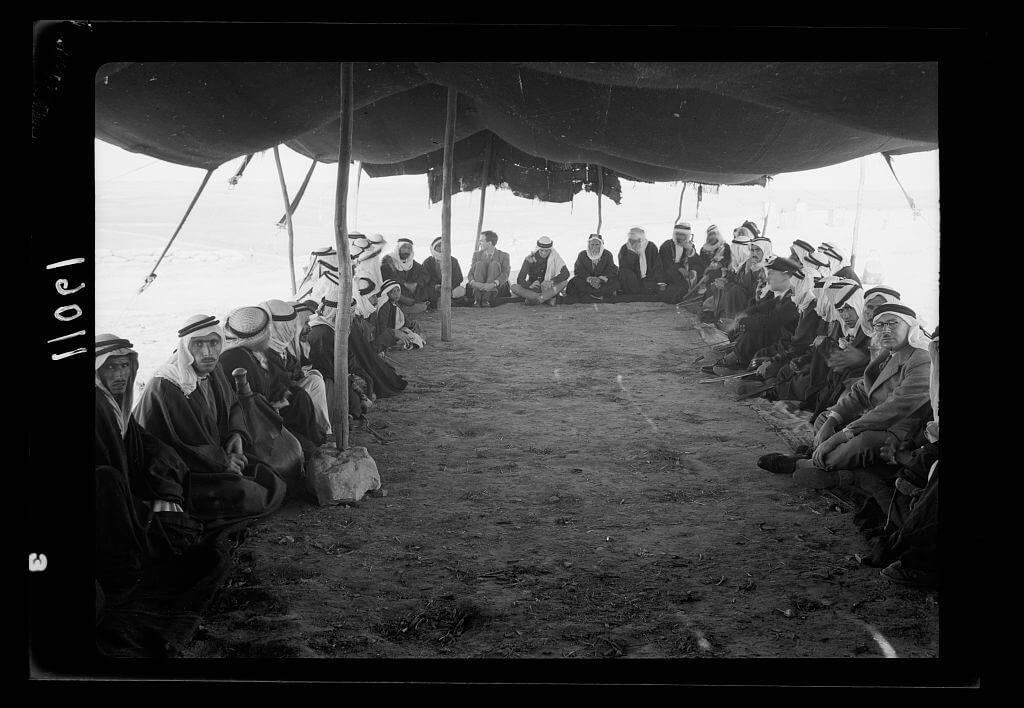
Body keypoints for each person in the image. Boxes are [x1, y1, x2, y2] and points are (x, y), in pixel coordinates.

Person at [133, 314, 287, 531]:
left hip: (213, 458)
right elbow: (175, 446)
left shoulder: (213, 371)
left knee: (267, 473)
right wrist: (222, 461)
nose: (207, 352)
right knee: (250, 493)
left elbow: (233, 404)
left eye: (213, 343)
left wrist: (236, 434)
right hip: (181, 474)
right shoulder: (167, 386)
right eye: (198, 344)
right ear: (187, 348)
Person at [757, 303, 933, 488]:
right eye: (879, 325)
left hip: (902, 431)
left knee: (863, 441)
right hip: (876, 419)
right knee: (824, 419)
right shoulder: (890, 353)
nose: (885, 330)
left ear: (910, 326)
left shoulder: (921, 359)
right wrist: (833, 420)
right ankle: (832, 462)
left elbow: (896, 408)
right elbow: (861, 390)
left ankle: (805, 464)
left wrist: (843, 434)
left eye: (893, 323)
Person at [95, 334, 195, 596]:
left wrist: (164, 490)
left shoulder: (114, 403)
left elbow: (147, 445)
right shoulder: (98, 407)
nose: (120, 375)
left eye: (124, 366)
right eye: (110, 367)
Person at [705, 256, 801, 373]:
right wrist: (742, 316)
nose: (768, 277)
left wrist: (740, 322)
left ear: (785, 276)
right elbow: (760, 308)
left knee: (758, 328)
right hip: (776, 339)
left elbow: (770, 321)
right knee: (753, 322)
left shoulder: (794, 300)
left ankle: (737, 361)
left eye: (772, 273)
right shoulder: (784, 295)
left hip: (787, 345)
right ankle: (736, 357)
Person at [699, 221, 766, 322]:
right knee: (715, 287)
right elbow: (736, 279)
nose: (733, 255)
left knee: (733, 291)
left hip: (748, 301)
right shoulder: (743, 264)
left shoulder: (755, 266)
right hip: (737, 295)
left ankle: (730, 319)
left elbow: (747, 290)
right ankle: (719, 315)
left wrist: (726, 285)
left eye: (735, 252)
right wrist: (725, 280)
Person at [511, 236, 571, 306]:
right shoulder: (530, 258)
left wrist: (551, 281)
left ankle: (538, 300)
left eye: (546, 251)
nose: (544, 253)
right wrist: (530, 285)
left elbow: (566, 273)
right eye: (541, 250)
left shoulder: (555, 257)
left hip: (548, 287)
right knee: (514, 287)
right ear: (538, 249)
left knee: (564, 282)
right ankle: (546, 298)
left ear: (550, 250)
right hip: (534, 289)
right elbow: (520, 279)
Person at [659, 222, 705, 304]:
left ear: (687, 236)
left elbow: (697, 261)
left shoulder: (689, 245)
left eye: (682, 235)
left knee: (698, 268)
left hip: (684, 270)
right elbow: (665, 262)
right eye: (678, 234)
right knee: (675, 278)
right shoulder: (667, 245)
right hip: (670, 271)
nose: (679, 237)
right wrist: (679, 269)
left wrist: (690, 250)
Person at [566, 233, 620, 302]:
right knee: (575, 281)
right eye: (592, 245)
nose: (594, 247)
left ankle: (591, 294)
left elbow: (611, 269)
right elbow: (578, 271)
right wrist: (589, 279)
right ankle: (599, 294)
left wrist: (601, 279)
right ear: (589, 245)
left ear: (601, 245)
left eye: (597, 245)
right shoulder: (582, 255)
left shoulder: (607, 254)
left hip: (601, 282)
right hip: (587, 282)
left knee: (615, 282)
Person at [380, 237, 429, 313]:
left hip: (407, 292)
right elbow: (387, 276)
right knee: (392, 289)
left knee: (424, 282)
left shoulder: (411, 262)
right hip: (394, 291)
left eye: (409, 248)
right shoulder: (388, 259)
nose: (407, 251)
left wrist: (416, 284)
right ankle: (405, 306)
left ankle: (413, 304)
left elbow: (425, 275)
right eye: (404, 247)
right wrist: (405, 284)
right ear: (398, 248)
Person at [375, 279, 426, 349]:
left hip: (395, 331)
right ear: (387, 294)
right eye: (392, 292)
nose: (396, 294)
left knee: (415, 328)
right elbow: (382, 329)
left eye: (398, 290)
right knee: (414, 337)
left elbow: (404, 321)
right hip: (388, 334)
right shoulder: (385, 306)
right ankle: (396, 345)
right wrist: (396, 333)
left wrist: (411, 324)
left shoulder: (394, 304)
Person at [466, 230, 512, 307]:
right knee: (479, 264)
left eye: (481, 241)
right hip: (478, 286)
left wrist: (493, 284)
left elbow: (505, 274)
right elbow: (471, 272)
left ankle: (485, 299)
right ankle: (477, 299)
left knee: (494, 264)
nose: (479, 243)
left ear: (489, 243)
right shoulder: (476, 255)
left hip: (496, 287)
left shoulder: (504, 255)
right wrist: (474, 283)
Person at [617, 227, 664, 300]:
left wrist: (660, 282)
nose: (632, 242)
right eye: (631, 240)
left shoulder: (651, 247)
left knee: (649, 286)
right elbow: (624, 268)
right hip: (632, 282)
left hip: (648, 281)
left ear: (641, 240)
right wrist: (632, 253)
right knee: (625, 274)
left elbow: (657, 267)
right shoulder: (625, 248)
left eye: (634, 240)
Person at [422, 236, 466, 310]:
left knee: (460, 290)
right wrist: (436, 285)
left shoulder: (453, 260)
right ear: (433, 248)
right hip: (434, 288)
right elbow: (425, 278)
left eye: (443, 245)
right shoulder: (428, 262)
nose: (441, 248)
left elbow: (458, 277)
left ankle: (447, 301)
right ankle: (440, 302)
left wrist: (448, 285)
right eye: (438, 246)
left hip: (450, 288)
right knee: (427, 291)